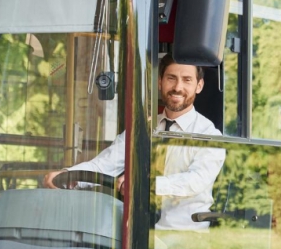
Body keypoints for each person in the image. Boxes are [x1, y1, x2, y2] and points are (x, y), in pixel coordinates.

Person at [44, 54, 226, 231]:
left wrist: (143, 184)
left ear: (199, 86)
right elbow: (105, 164)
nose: (178, 87)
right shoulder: (142, 128)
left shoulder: (209, 135)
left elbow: (194, 181)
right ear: (160, 82)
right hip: (136, 238)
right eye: (171, 78)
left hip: (182, 239)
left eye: (187, 80)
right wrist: (69, 175)